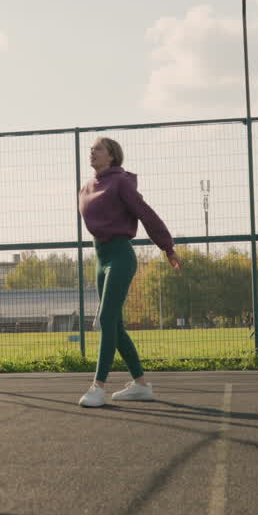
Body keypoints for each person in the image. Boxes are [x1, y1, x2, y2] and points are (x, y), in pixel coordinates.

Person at [77, 137, 181, 407]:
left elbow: (146, 214)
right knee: (115, 326)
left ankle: (97, 387)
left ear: (112, 156)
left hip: (121, 255)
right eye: (91, 149)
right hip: (101, 258)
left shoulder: (121, 182)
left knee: (106, 320)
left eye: (98, 149)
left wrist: (167, 247)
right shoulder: (86, 187)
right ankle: (141, 385)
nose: (92, 152)